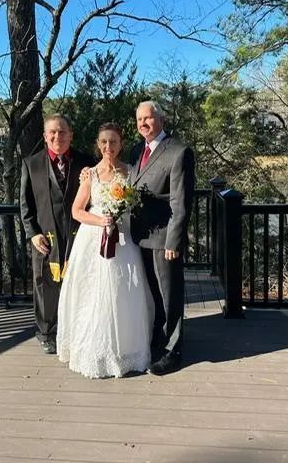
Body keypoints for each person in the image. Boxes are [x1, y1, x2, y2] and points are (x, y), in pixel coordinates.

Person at [57, 123, 154, 378]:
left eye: (113, 142)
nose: (108, 147)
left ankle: (127, 350)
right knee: (93, 293)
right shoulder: (90, 174)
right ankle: (94, 350)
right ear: (97, 145)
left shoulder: (132, 172)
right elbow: (77, 210)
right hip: (93, 240)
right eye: (103, 142)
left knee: (124, 293)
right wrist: (101, 221)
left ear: (121, 144)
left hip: (123, 241)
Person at [130, 101, 195, 375]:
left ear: (161, 119)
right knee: (154, 295)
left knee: (170, 296)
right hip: (140, 237)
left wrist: (174, 241)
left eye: (149, 118)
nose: (143, 123)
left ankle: (173, 351)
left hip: (163, 239)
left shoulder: (179, 152)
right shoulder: (137, 150)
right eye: (139, 119)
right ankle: (159, 338)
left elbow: (181, 202)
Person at [20, 113, 94, 354]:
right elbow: (26, 204)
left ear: (71, 135)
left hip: (78, 234)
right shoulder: (31, 164)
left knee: (79, 281)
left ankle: (76, 329)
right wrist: (32, 233)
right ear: (44, 136)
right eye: (52, 132)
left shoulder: (87, 162)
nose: (57, 136)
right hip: (45, 235)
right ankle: (46, 332)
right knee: (45, 285)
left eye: (62, 131)